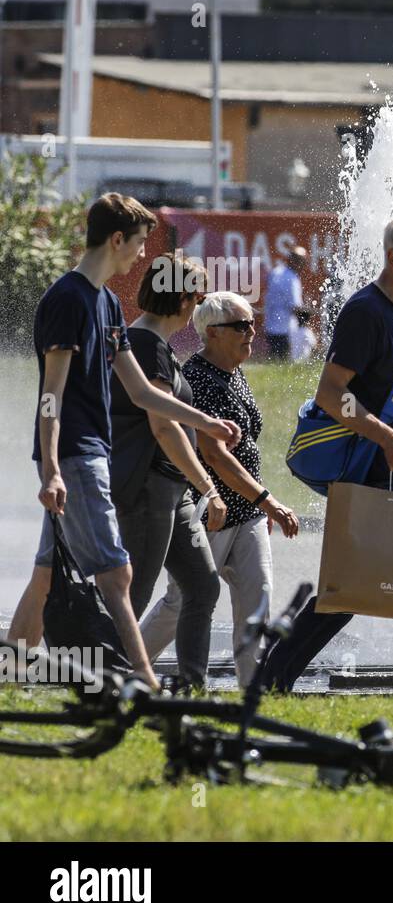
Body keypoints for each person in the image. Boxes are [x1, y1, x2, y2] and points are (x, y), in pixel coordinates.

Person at [9, 193, 240, 689]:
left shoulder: (108, 303)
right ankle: (143, 683)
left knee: (47, 574)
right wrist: (51, 467)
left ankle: (10, 674)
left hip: (92, 452)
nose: (141, 255)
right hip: (76, 453)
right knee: (118, 576)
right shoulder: (67, 299)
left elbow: (139, 391)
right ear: (117, 239)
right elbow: (51, 396)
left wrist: (205, 422)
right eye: (137, 243)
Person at [260, 216, 393, 695]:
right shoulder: (365, 311)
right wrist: (387, 439)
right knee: (357, 589)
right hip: (368, 471)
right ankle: (275, 675)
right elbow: (333, 395)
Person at [137, 292, 300, 687]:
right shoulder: (198, 378)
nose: (251, 332)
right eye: (241, 326)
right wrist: (269, 500)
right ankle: (124, 665)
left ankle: (253, 691)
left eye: (252, 324)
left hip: (247, 514)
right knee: (183, 602)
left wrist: (260, 505)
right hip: (210, 510)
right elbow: (215, 454)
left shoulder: (234, 371)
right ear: (212, 333)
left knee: (256, 602)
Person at [109, 253, 226, 689]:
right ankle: (108, 686)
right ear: (181, 298)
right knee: (131, 598)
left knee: (202, 585)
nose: (199, 305)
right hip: (147, 491)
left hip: (169, 493)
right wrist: (208, 487)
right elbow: (163, 427)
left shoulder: (155, 345)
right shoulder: (146, 345)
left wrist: (196, 489)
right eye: (198, 295)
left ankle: (192, 686)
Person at [263, 246, 307, 362]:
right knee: (283, 363)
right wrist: (310, 314)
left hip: (271, 325)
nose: (303, 265)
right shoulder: (292, 279)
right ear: (294, 260)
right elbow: (295, 307)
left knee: (273, 361)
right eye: (301, 261)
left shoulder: (276, 271)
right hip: (285, 328)